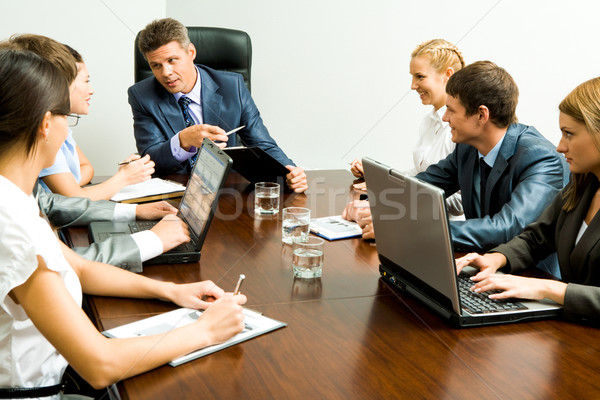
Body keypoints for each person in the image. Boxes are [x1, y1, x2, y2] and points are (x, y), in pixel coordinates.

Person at [0, 48, 247, 398]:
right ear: (44, 124)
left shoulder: (14, 198)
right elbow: (100, 364)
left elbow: (80, 269)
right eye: (66, 118)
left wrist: (172, 291)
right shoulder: (11, 225)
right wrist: (205, 331)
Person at [348, 61, 568, 275]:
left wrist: (408, 232)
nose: (445, 117)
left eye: (451, 110)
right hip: (481, 264)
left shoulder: (540, 157)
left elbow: (507, 227)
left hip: (532, 275)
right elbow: (422, 185)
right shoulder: (467, 148)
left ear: (482, 115)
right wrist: (373, 206)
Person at [1, 34, 191, 272]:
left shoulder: (16, 187)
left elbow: (50, 203)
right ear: (45, 122)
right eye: (63, 115)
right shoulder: (8, 214)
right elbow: (64, 267)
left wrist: (135, 211)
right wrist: (154, 240)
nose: (67, 129)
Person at [455, 77, 600, 324]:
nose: (560, 146)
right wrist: (496, 258)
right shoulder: (583, 185)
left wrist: (548, 289)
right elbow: (536, 238)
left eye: (569, 134)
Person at [128, 18, 308, 192]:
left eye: (172, 60)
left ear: (191, 53)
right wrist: (183, 141)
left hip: (229, 191)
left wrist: (289, 172)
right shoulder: (142, 96)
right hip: (175, 192)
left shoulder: (233, 86)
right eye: (156, 65)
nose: (166, 73)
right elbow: (151, 160)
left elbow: (263, 145)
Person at [346, 38, 466, 223]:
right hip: (416, 218)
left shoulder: (462, 130)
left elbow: (461, 201)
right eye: (412, 77)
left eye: (420, 76)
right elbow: (420, 174)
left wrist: (397, 197)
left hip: (444, 231)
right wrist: (378, 179)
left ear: (447, 75)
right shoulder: (428, 121)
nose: (412, 85)